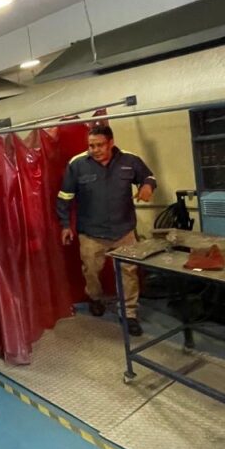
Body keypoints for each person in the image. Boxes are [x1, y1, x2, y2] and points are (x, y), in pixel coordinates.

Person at [55, 124, 157, 337]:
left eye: (99, 145)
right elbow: (65, 196)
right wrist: (65, 225)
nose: (95, 150)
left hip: (124, 230)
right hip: (91, 233)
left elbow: (149, 177)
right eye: (91, 146)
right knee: (91, 271)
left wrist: (147, 186)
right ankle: (95, 298)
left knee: (128, 272)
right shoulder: (77, 164)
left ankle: (129, 314)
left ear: (111, 143)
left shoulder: (130, 160)